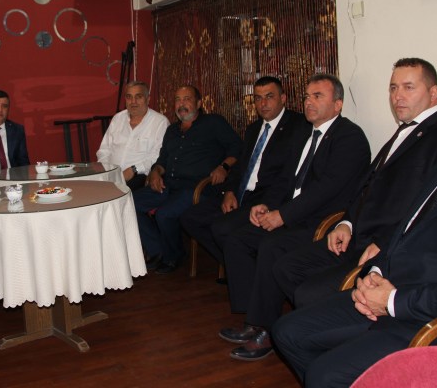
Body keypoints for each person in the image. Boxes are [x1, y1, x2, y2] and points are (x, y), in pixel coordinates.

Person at [272, 60, 437, 387]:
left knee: (325, 373)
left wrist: (393, 301)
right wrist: (375, 273)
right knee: (287, 331)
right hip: (390, 290)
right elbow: (404, 231)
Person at [273, 58, 437, 310]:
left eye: (408, 87)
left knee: (308, 293)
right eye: (393, 88)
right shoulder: (406, 129)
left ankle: (328, 322)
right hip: (355, 236)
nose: (398, 96)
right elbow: (368, 184)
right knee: (285, 267)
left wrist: (386, 244)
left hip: (386, 247)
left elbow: (429, 206)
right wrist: (346, 223)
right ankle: (315, 320)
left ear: (433, 93)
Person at [219, 74, 371, 360]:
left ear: (338, 104)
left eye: (317, 96)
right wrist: (266, 205)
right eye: (306, 96)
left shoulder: (349, 137)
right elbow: (286, 180)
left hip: (322, 221)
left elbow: (326, 189)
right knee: (237, 240)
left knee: (271, 245)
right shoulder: (305, 134)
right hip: (293, 213)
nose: (308, 102)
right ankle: (254, 317)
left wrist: (283, 216)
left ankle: (265, 331)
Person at [180, 76, 311, 267]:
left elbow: (290, 175)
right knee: (190, 218)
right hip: (240, 194)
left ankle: (240, 266)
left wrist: (268, 204)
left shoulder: (298, 127)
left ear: (283, 98)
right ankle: (237, 265)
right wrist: (229, 191)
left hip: (265, 198)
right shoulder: (253, 129)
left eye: (269, 97)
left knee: (221, 228)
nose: (263, 103)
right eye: (258, 98)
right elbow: (241, 166)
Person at [134, 85, 242, 274]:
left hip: (198, 188)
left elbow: (238, 147)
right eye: (178, 99)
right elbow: (162, 160)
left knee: (164, 214)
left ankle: (174, 256)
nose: (181, 104)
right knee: (130, 203)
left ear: (199, 103)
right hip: (169, 185)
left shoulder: (213, 123)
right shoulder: (172, 130)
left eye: (187, 99)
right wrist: (156, 172)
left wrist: (223, 167)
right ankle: (158, 251)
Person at [96, 81, 169, 190]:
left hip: (139, 177)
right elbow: (104, 151)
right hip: (111, 175)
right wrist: (107, 171)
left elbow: (157, 157)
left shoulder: (160, 122)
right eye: (129, 97)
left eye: (138, 97)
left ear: (148, 99)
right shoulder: (118, 118)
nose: (133, 102)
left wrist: (134, 169)